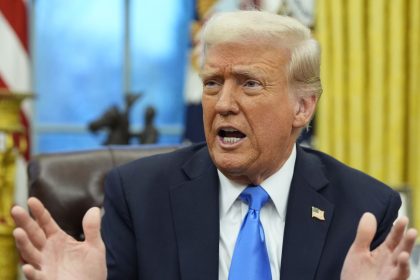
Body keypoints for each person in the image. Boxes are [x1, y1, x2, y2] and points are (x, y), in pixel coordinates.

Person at [11, 10, 417, 280]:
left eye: (250, 83)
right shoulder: (137, 196)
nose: (223, 104)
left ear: (302, 106)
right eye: (212, 83)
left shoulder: (365, 208)